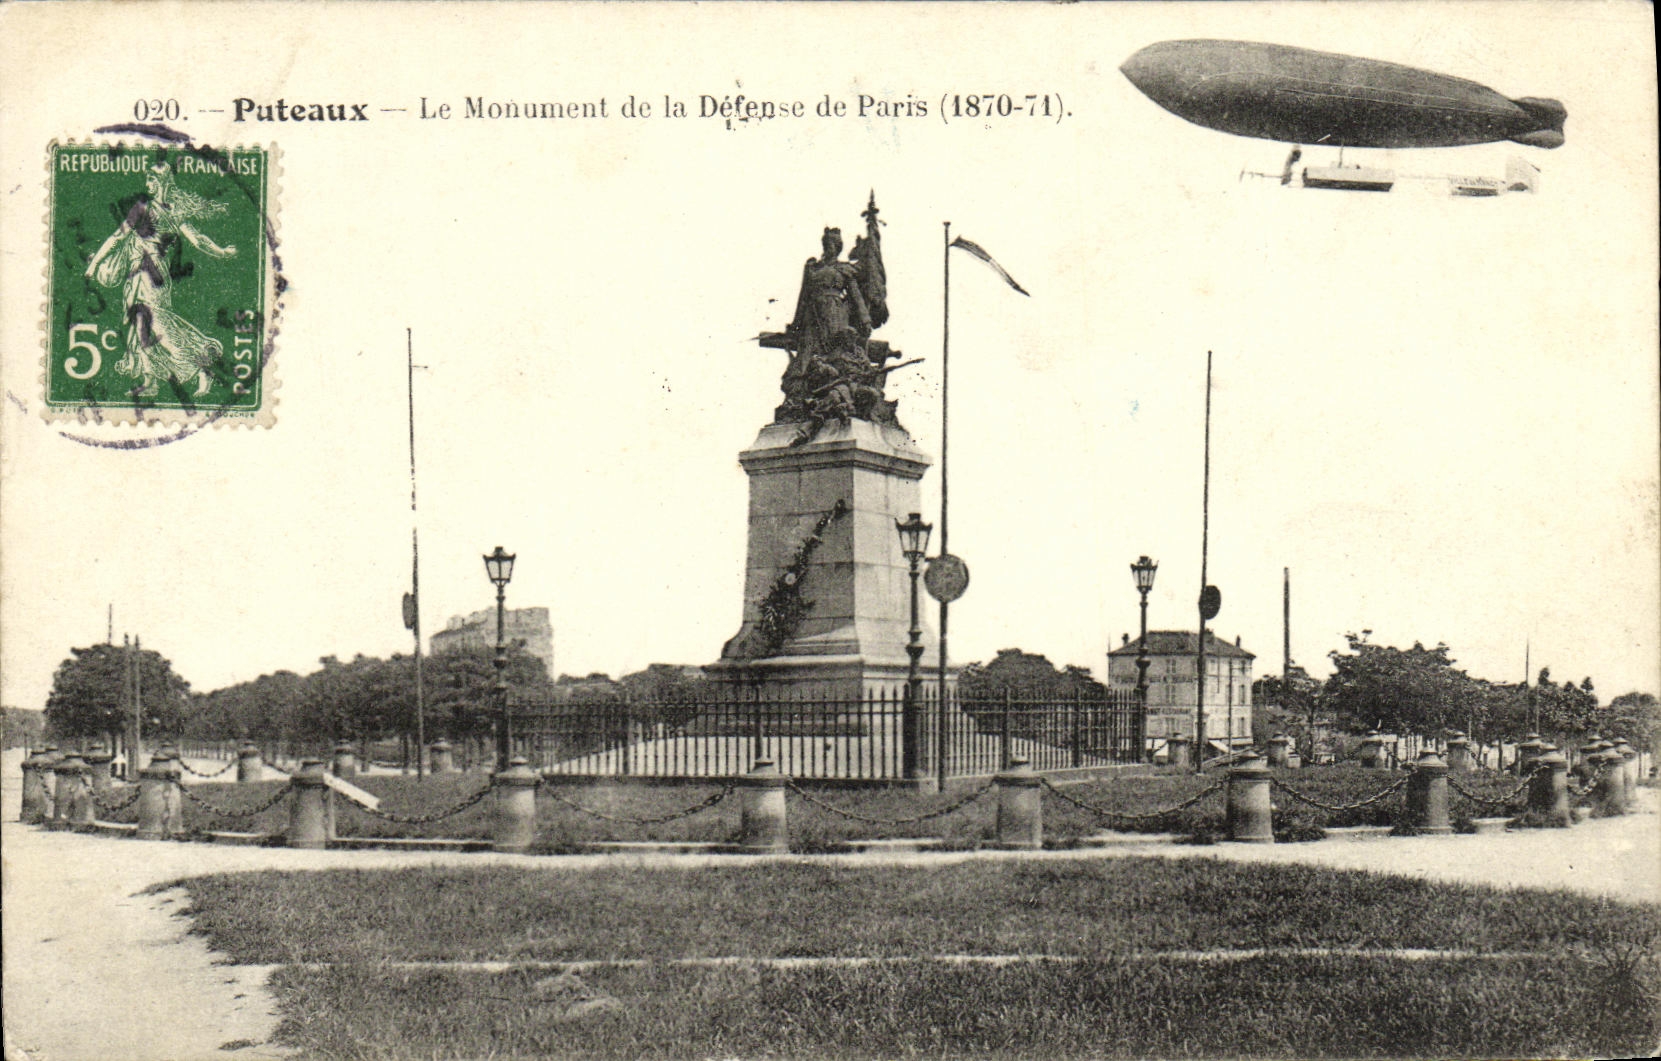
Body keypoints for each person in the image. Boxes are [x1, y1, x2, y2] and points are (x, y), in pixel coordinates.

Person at [84, 162, 238, 398]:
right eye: (147, 181)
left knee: (159, 325)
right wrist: (94, 265)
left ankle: (200, 368)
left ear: (163, 182)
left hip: (153, 275)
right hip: (136, 274)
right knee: (140, 328)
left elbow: (198, 240)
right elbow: (118, 236)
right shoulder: (142, 207)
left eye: (152, 181)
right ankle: (151, 381)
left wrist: (222, 252)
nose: (148, 185)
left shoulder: (173, 211)